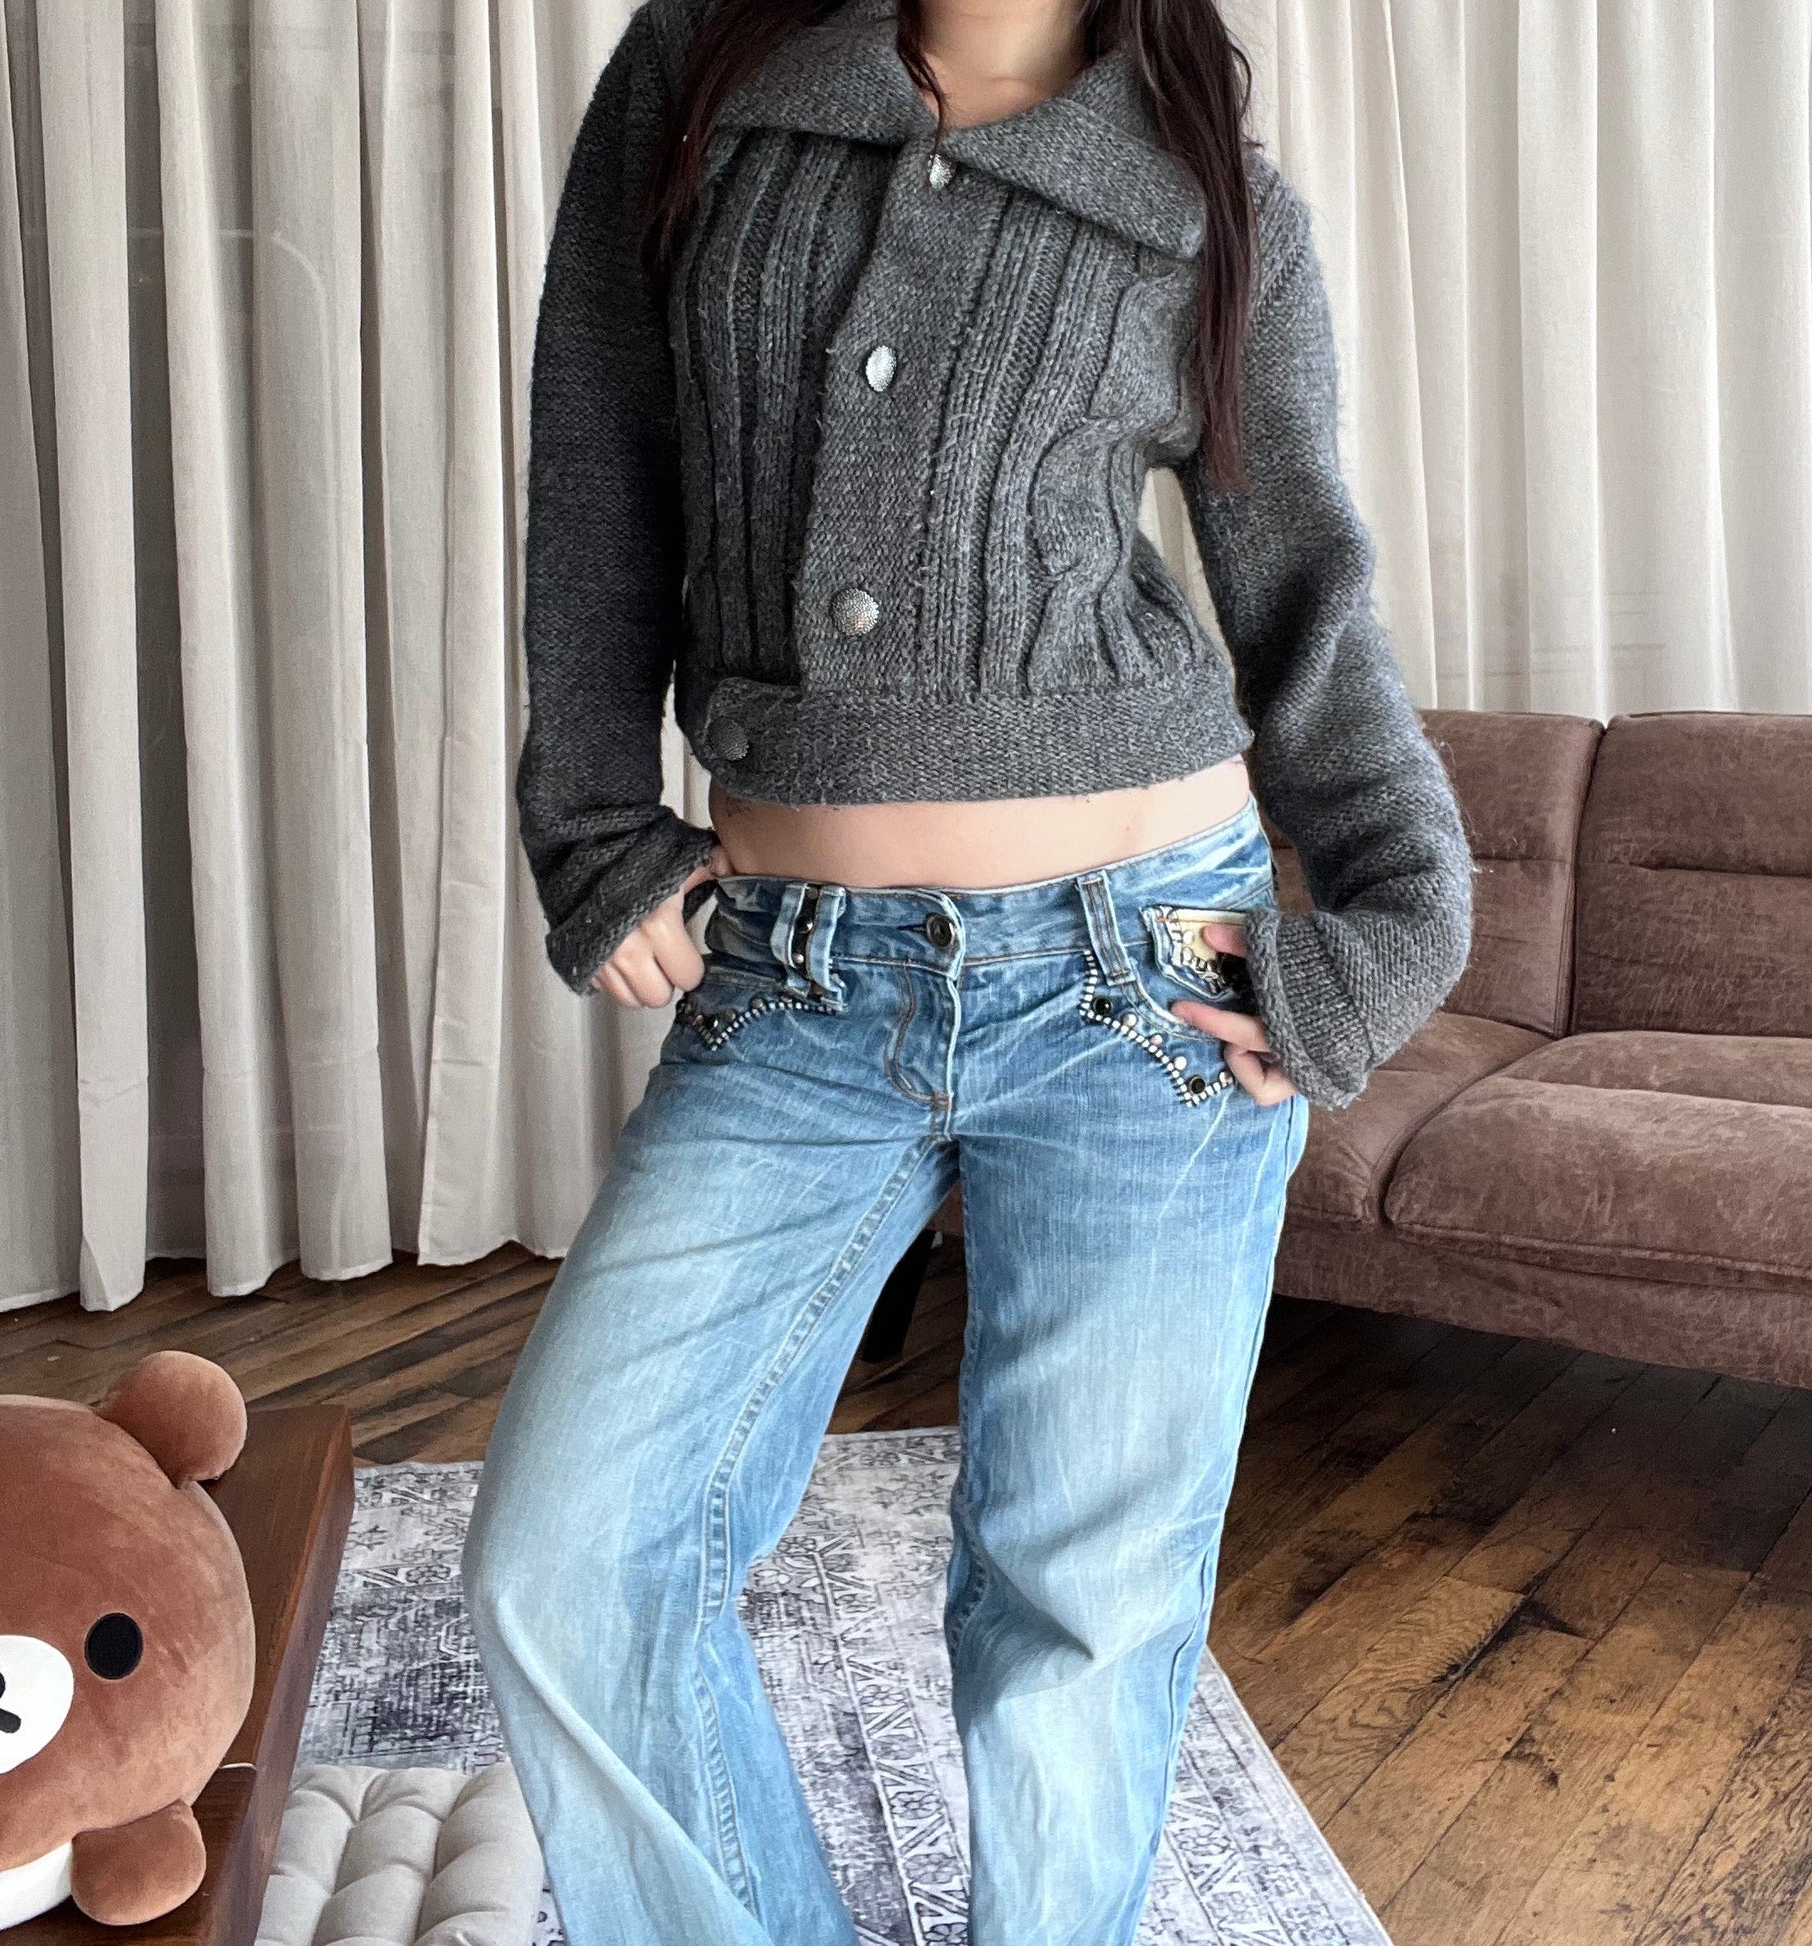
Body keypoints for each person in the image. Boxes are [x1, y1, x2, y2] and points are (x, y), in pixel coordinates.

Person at [462, 0, 1475, 1939]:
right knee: (570, 1559)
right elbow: (600, 466)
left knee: (1076, 1620)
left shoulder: (1207, 197)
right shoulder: (705, 74)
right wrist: (590, 818)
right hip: (794, 984)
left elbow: (1303, 591)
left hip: (1143, 990)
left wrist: (1392, 917)